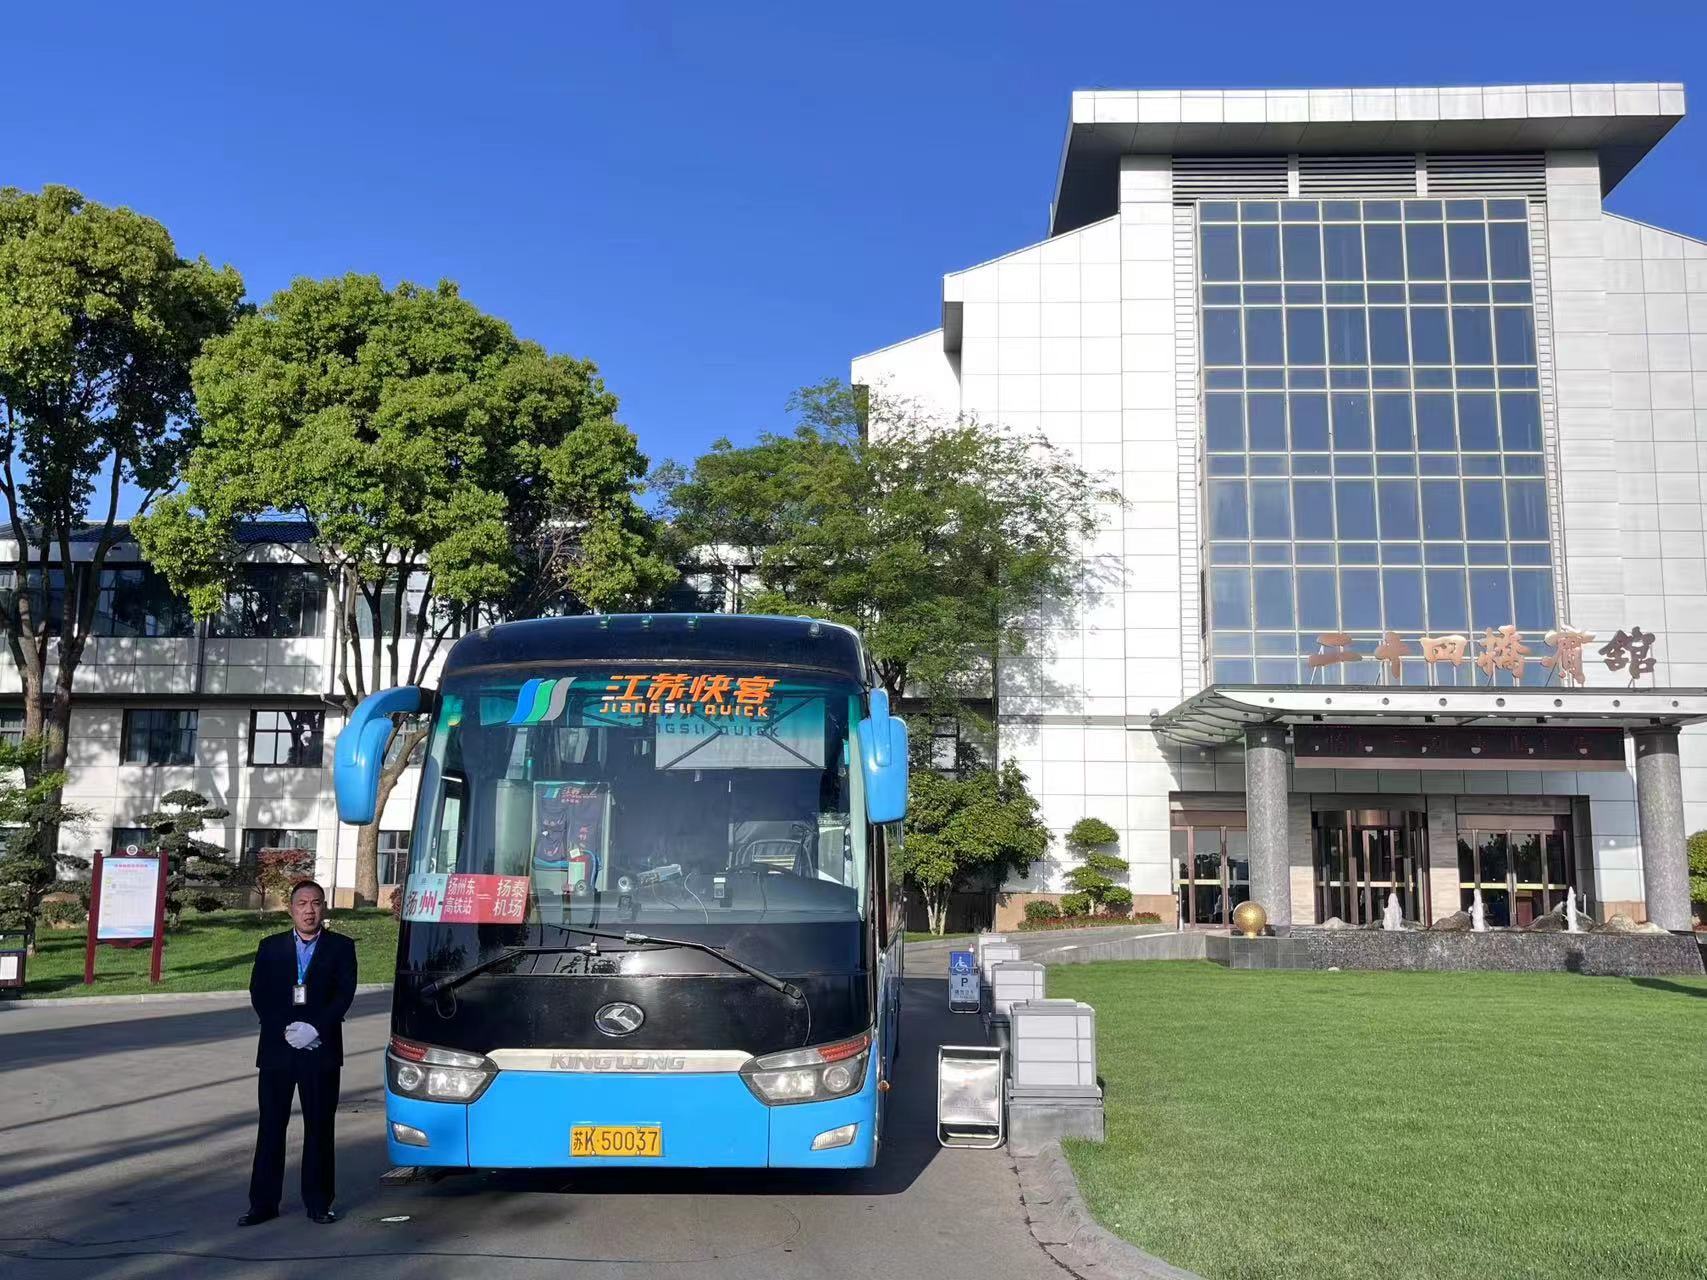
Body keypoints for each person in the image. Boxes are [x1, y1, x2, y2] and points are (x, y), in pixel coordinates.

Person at [239, 880, 357, 1227]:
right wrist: (285, 1030)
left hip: (320, 1050)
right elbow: (260, 993)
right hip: (278, 1051)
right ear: (291, 909)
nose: (309, 910)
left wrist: (315, 1028)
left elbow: (344, 994)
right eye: (302, 903)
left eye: (315, 903)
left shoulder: (341, 947)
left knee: (319, 1127)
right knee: (271, 1126)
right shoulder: (270, 947)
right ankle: (263, 1204)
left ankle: (319, 1202)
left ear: (324, 908)